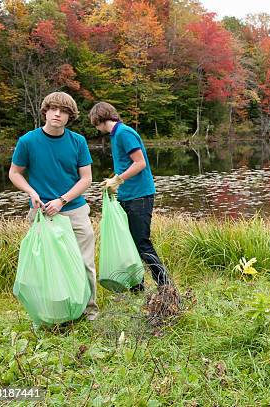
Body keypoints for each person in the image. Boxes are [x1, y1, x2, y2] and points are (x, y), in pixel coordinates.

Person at [9, 92, 98, 321]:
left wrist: (62, 200)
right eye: (53, 109)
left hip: (74, 210)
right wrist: (31, 192)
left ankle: (89, 309)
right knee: (49, 265)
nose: (58, 114)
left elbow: (86, 179)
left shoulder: (77, 141)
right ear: (45, 111)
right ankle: (54, 311)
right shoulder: (28, 141)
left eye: (64, 111)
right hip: (41, 213)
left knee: (84, 262)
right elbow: (15, 173)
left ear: (70, 116)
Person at [89, 102, 171, 291]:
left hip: (140, 195)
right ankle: (137, 287)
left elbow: (140, 163)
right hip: (127, 196)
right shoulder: (116, 134)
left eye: (95, 123)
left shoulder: (124, 133)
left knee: (141, 242)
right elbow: (127, 165)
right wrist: (113, 182)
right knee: (130, 243)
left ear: (99, 118)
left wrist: (118, 179)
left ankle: (165, 286)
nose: (96, 127)